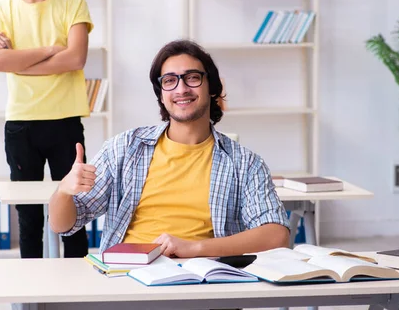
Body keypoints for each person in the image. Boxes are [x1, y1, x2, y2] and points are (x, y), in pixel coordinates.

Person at [49, 39, 290, 258]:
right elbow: (63, 225)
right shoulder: (124, 147)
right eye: (170, 81)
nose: (181, 89)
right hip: (129, 277)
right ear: (161, 95)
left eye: (193, 77)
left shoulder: (245, 163)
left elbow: (276, 235)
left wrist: (194, 248)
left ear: (212, 87)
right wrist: (63, 191)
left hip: (205, 278)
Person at [0, 0, 93, 259]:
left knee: (73, 210)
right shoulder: (1, 8)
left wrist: (20, 60)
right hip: (21, 124)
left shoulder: (73, 3)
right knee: (28, 216)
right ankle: (31, 294)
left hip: (65, 122)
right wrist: (50, 49)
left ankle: (79, 291)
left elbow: (76, 57)